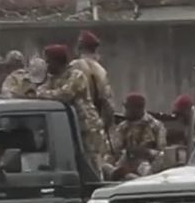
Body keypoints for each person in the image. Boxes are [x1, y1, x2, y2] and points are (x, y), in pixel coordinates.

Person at [34, 44, 109, 174]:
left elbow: (64, 95)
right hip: (71, 128)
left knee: (92, 164)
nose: (47, 65)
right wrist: (43, 91)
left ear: (58, 61)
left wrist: (44, 94)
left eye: (49, 61)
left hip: (88, 128)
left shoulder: (76, 76)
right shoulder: (53, 79)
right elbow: (40, 90)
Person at [110, 93, 167, 179]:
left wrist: (146, 152)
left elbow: (162, 152)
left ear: (138, 108)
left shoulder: (156, 126)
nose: (124, 111)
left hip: (147, 165)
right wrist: (126, 152)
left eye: (127, 107)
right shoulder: (122, 127)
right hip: (126, 162)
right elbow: (115, 150)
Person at [71, 30, 115, 134]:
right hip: (94, 122)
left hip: (74, 121)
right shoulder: (101, 70)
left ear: (79, 47)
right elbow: (108, 104)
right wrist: (104, 124)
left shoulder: (73, 66)